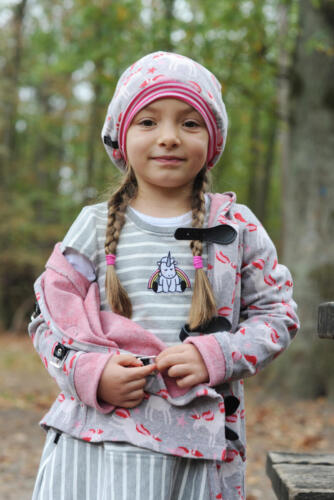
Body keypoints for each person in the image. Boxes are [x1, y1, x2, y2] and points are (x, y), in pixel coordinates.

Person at [30, 51, 299, 500]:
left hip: (195, 450)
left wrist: (217, 354)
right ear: (121, 136)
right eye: (149, 122)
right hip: (95, 445)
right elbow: (46, 321)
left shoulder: (237, 228)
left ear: (211, 143)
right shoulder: (92, 227)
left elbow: (278, 316)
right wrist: (88, 371)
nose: (170, 137)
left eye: (190, 124)